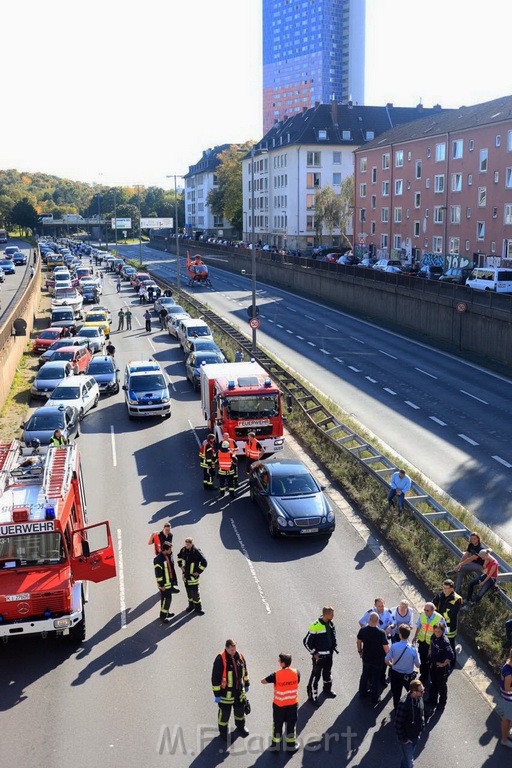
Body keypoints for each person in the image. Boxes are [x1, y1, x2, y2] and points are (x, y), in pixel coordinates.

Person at [211, 639, 250, 742]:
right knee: (224, 715)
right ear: (227, 648)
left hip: (238, 692)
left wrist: (247, 683)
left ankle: (240, 726)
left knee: (240, 712)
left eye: (235, 649)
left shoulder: (239, 656)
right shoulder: (220, 659)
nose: (234, 651)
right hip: (225, 694)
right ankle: (223, 733)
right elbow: (215, 678)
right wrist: (217, 694)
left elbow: (245, 670)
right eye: (232, 650)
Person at [261, 653, 300, 754]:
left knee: (277, 725)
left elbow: (263, 681)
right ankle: (291, 746)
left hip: (279, 705)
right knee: (291, 725)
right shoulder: (296, 672)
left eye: (279, 661)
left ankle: (275, 746)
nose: (278, 662)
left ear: (283, 663)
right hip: (292, 704)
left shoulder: (276, 674)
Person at [303, 606, 338, 705]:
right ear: (326, 614)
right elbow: (306, 642)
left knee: (327, 673)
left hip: (329, 655)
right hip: (319, 657)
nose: (333, 616)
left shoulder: (330, 623)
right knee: (315, 676)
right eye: (331, 614)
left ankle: (327, 690)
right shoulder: (315, 626)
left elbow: (332, 636)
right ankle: (312, 697)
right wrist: (314, 653)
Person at [356, 612, 390, 704]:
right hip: (377, 659)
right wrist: (390, 658)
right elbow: (386, 648)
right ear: (378, 621)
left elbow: (358, 642)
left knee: (364, 675)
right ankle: (374, 698)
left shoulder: (363, 630)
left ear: (369, 619)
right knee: (375, 678)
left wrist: (360, 651)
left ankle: (362, 693)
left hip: (366, 657)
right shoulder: (381, 633)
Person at [386, 624, 420, 709]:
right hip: (408, 676)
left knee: (396, 694)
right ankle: (412, 709)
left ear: (400, 634)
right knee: (412, 693)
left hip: (395, 674)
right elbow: (418, 664)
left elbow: (386, 660)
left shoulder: (394, 646)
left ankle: (397, 710)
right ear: (408, 635)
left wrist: (391, 665)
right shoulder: (413, 649)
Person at [394, 680, 425, 768]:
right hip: (407, 739)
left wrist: (421, 727)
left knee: (406, 759)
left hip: (415, 735)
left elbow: (421, 713)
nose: (423, 692)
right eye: (421, 691)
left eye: (423, 689)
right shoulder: (404, 704)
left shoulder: (419, 697)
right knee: (409, 762)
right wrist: (404, 739)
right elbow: (398, 723)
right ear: (414, 692)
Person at [412, 603, 445, 684]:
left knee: (430, 660)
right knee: (422, 659)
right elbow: (419, 626)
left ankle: (430, 673)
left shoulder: (439, 618)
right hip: (423, 641)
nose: (425, 611)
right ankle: (424, 675)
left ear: (433, 610)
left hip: (432, 644)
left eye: (427, 610)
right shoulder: (422, 615)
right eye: (424, 609)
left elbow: (444, 632)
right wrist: (415, 636)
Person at [433, 579, 462, 669]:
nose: (444, 590)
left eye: (447, 588)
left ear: (452, 589)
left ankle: (452, 661)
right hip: (439, 624)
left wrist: (440, 617)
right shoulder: (441, 594)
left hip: (449, 626)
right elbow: (434, 603)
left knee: (450, 643)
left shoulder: (457, 599)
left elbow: (452, 614)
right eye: (444, 587)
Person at [426, 623, 454, 711]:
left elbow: (451, 656)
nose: (437, 633)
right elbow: (431, 645)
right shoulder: (433, 637)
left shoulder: (445, 642)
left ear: (442, 631)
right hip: (433, 665)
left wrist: (443, 664)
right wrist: (429, 654)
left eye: (439, 631)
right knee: (433, 683)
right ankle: (432, 700)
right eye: (435, 631)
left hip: (442, 669)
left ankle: (442, 703)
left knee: (442, 686)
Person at [177, 537, 207, 614]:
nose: (186, 546)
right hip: (186, 577)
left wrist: (198, 572)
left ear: (191, 544)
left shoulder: (196, 551)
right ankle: (191, 606)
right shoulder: (183, 550)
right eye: (185, 544)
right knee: (189, 593)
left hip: (193, 578)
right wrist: (180, 566)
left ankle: (198, 608)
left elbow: (204, 562)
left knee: (195, 593)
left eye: (188, 544)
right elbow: (179, 557)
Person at [153, 542, 177, 623]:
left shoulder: (167, 556)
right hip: (164, 584)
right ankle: (163, 616)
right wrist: (161, 585)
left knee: (166, 599)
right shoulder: (158, 559)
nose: (171, 550)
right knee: (166, 599)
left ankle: (165, 612)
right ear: (165, 549)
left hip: (168, 583)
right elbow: (158, 574)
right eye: (170, 549)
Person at [498, 651, 512, 749]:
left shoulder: (509, 663)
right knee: (506, 719)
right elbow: (507, 688)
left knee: (507, 718)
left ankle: (507, 734)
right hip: (509, 699)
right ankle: (504, 740)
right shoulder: (509, 673)